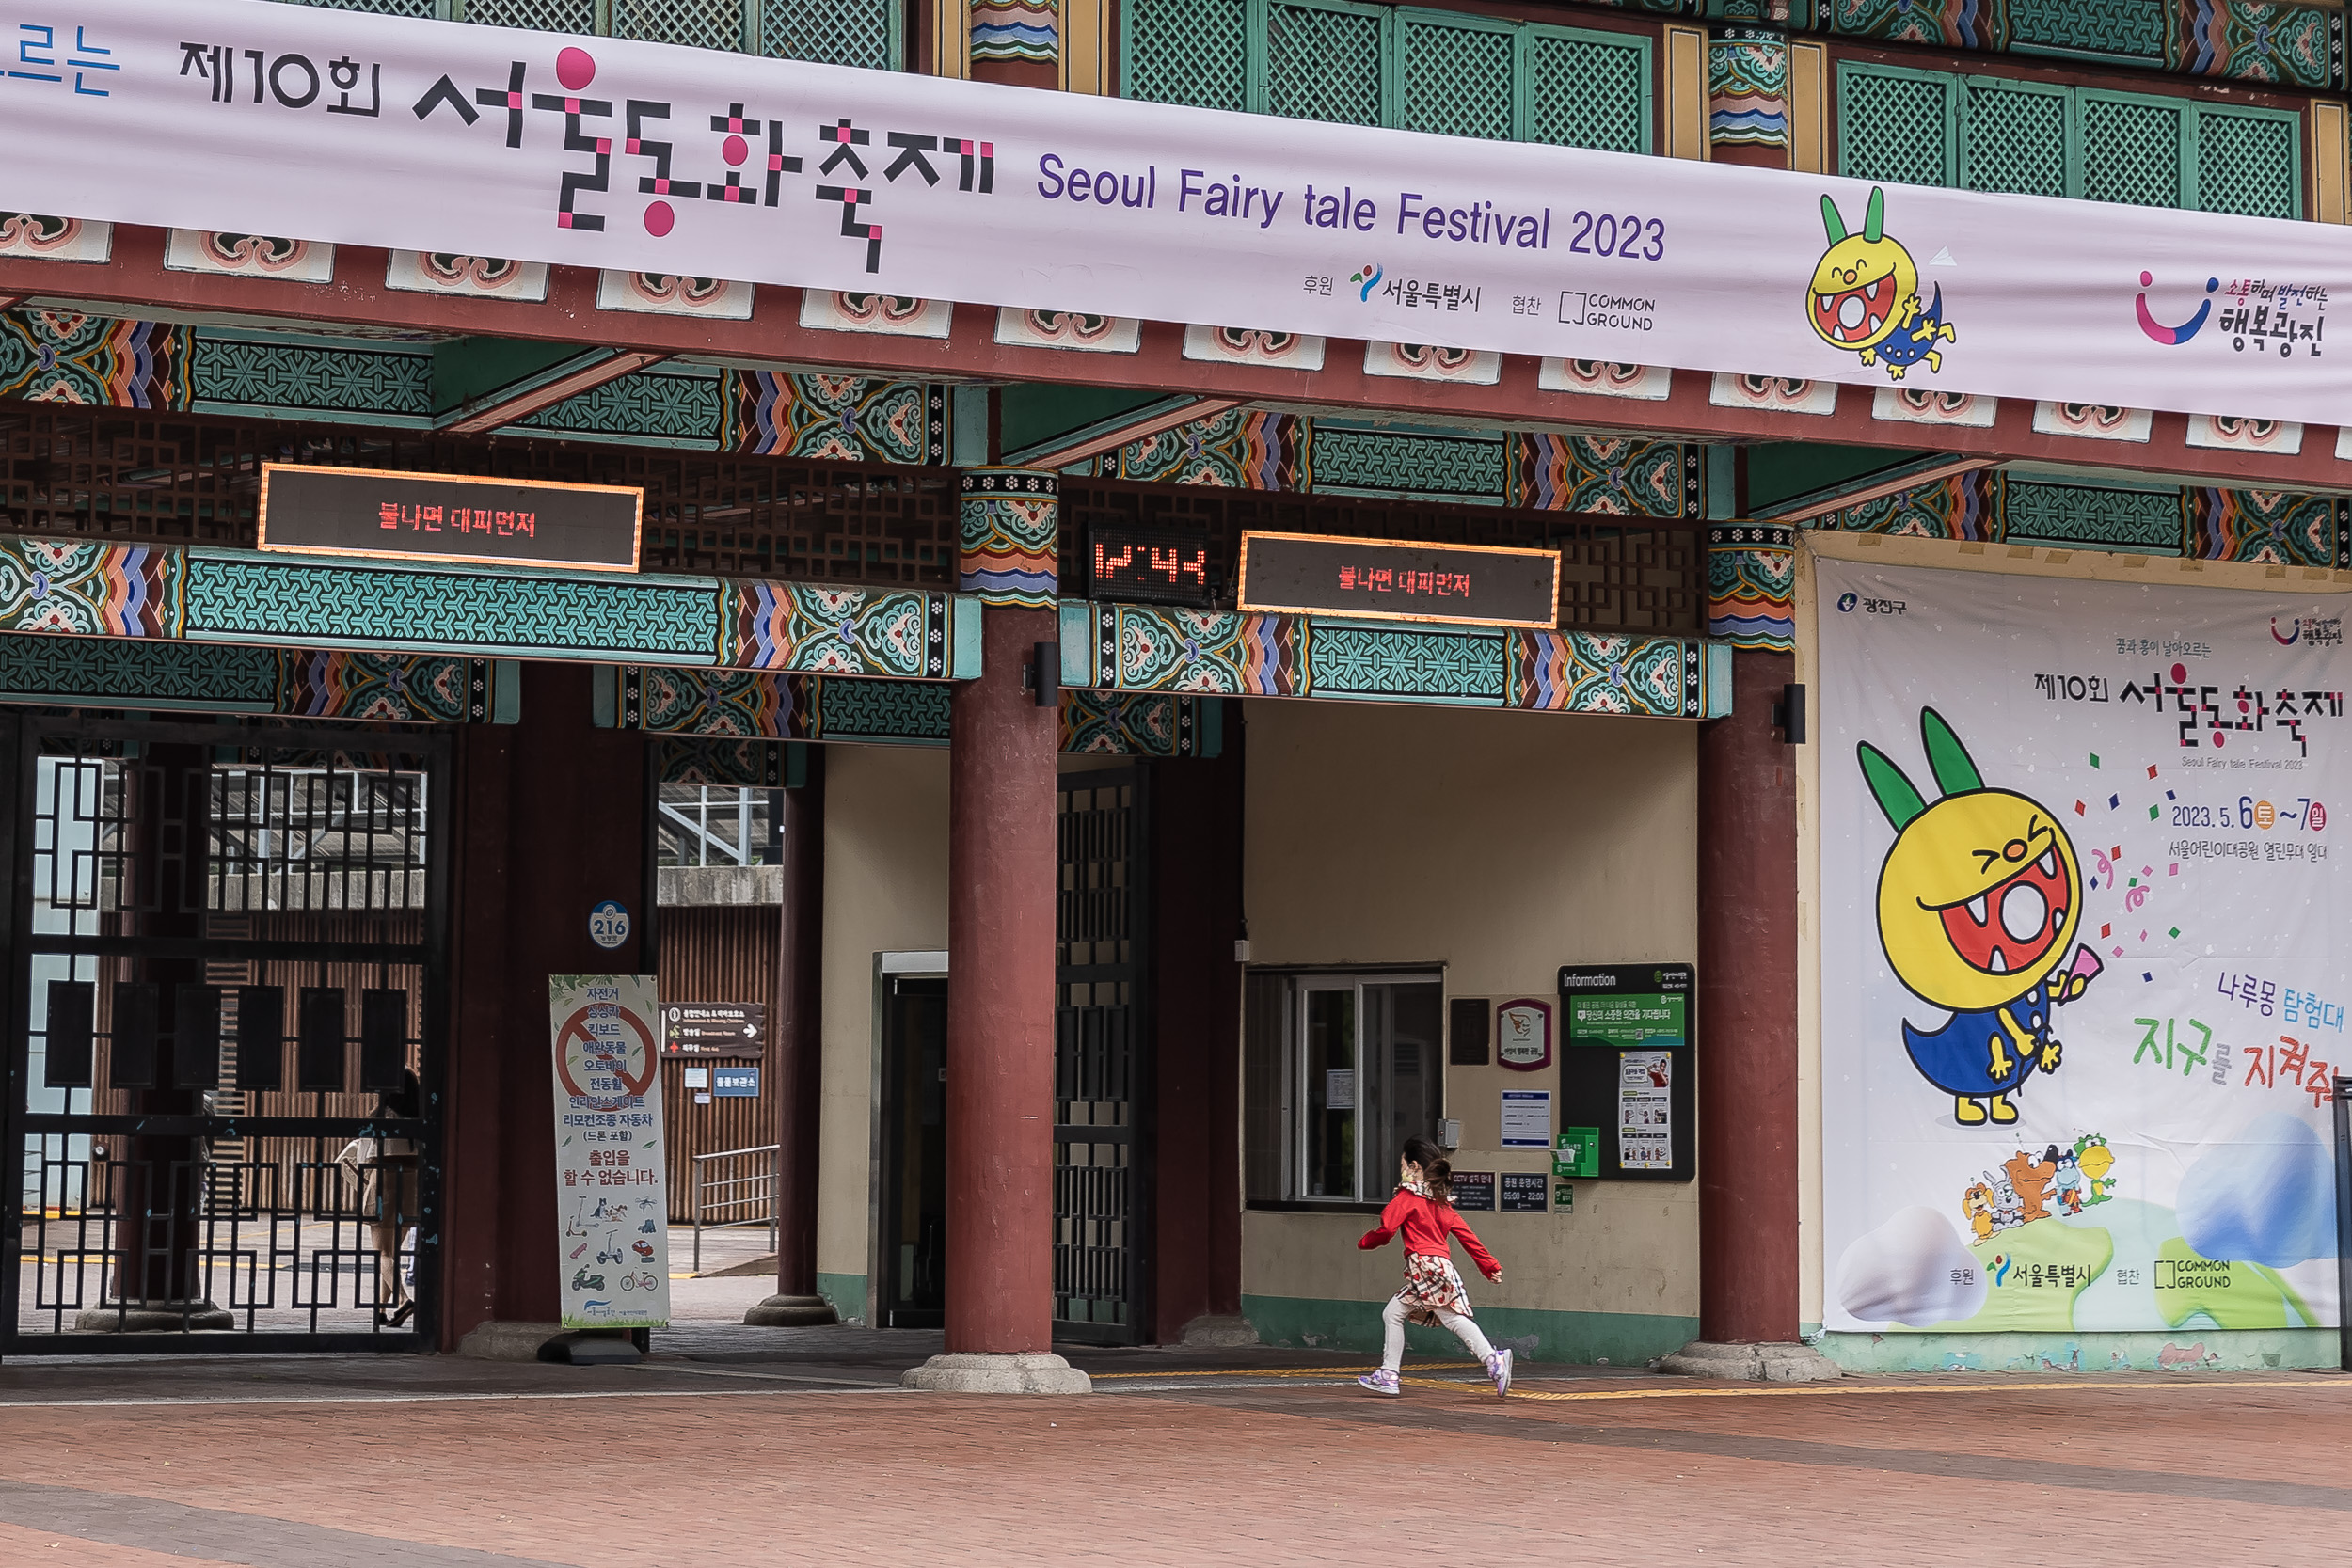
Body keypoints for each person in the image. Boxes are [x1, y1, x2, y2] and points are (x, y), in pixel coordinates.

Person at [1356, 1135, 1510, 1398]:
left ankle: (1493, 1360)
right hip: (1437, 1267)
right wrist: (1489, 1266)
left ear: (1414, 1167)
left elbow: (1387, 1229)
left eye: (1403, 1165)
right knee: (1393, 1313)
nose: (1401, 1170)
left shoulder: (1407, 1198)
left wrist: (1365, 1242)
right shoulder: (1440, 1202)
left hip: (1424, 1267)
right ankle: (1389, 1374)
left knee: (1450, 1316)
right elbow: (1466, 1235)